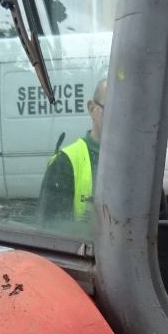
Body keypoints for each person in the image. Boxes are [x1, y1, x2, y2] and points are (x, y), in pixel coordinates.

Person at [36, 77, 106, 228]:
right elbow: (50, 230)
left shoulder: (142, 164)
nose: (121, 117)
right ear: (92, 108)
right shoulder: (64, 163)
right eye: (111, 109)